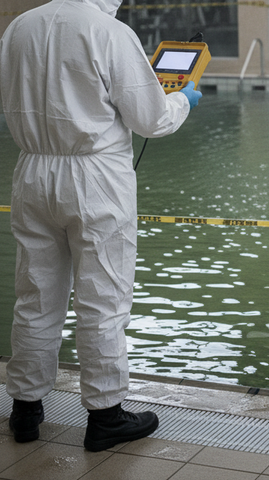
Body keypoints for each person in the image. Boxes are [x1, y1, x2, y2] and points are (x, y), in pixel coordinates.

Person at [0, 0, 202, 452]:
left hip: (32, 172)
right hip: (94, 178)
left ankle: (26, 408)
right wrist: (181, 99)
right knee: (102, 296)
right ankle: (106, 415)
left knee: (35, 293)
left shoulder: (19, 27)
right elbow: (150, 118)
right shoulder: (109, 31)